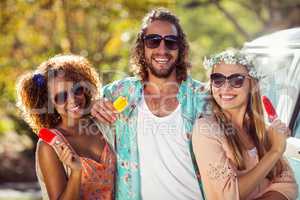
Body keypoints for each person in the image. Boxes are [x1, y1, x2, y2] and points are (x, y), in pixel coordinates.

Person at [91, 8, 209, 200]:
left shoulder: (202, 97)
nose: (162, 50)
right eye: (153, 41)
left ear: (180, 49)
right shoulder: (120, 93)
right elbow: (80, 105)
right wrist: (94, 103)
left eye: (171, 42)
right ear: (142, 46)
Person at [192, 49, 298, 200]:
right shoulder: (206, 130)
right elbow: (226, 195)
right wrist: (275, 151)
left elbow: (288, 185)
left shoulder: (262, 129)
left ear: (252, 85)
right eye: (218, 79)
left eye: (236, 80)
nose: (226, 88)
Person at [16, 55, 115, 200]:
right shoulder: (49, 147)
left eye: (77, 90)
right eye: (61, 97)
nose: (73, 99)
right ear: (49, 104)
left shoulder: (102, 125)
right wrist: (75, 172)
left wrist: (96, 104)